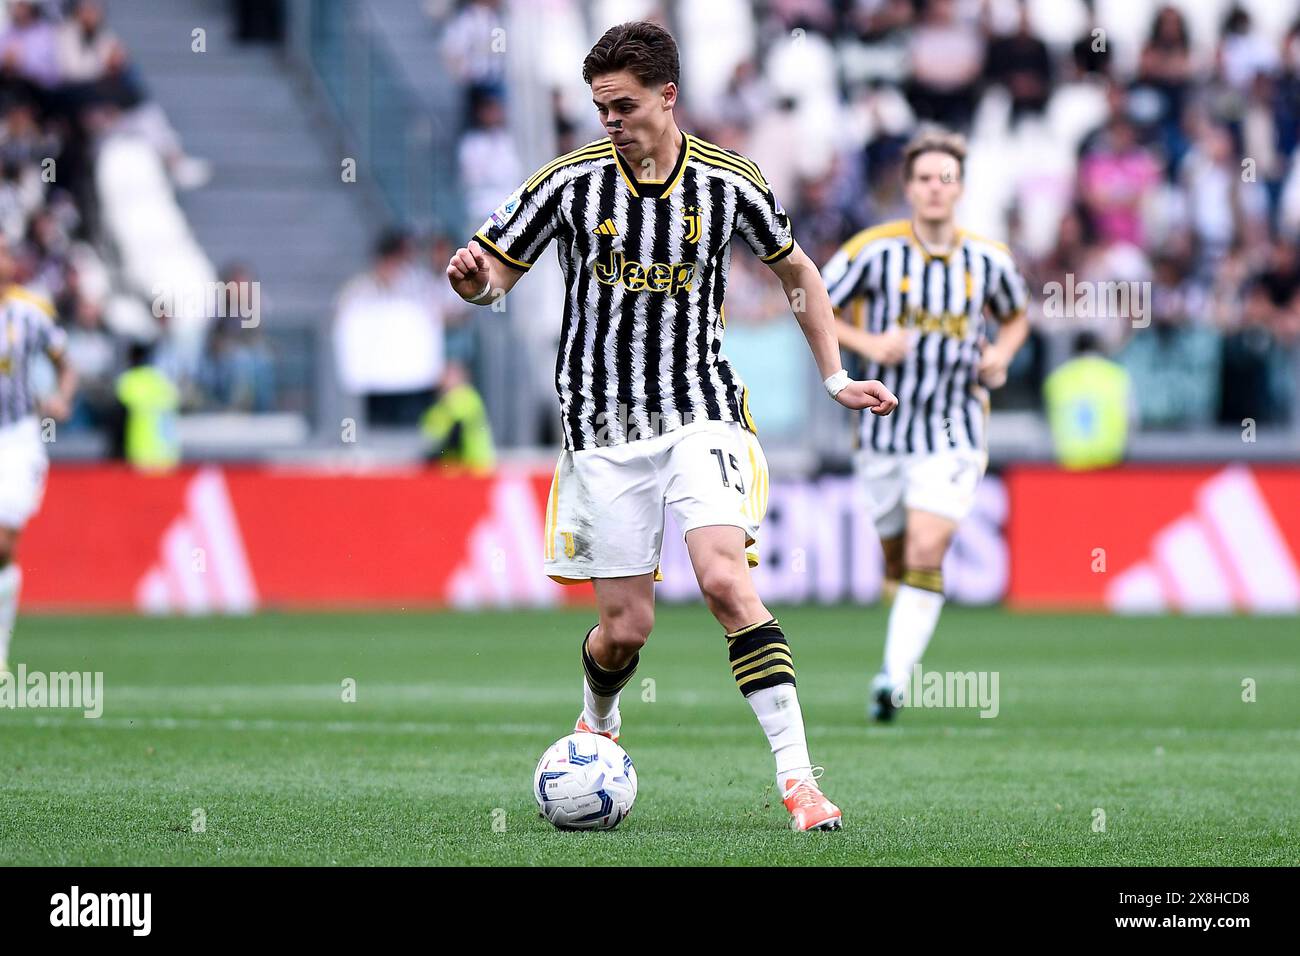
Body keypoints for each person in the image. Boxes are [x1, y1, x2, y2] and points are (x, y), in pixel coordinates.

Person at [445, 21, 897, 831]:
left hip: (701, 409)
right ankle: (600, 722)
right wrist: (472, 281)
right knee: (625, 630)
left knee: (726, 581)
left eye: (621, 105)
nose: (609, 120)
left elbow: (796, 269)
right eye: (598, 108)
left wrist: (833, 375)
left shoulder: (729, 181)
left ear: (667, 94)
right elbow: (493, 277)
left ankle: (800, 783)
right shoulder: (566, 183)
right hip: (602, 425)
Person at [824, 127, 1029, 722]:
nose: (935, 189)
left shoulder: (988, 259)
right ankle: (897, 659)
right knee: (897, 558)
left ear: (960, 188)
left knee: (927, 547)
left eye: (946, 178)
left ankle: (893, 680)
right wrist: (868, 342)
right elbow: (812, 304)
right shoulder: (873, 250)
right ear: (907, 188)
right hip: (883, 430)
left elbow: (1016, 318)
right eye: (923, 179)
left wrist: (1001, 356)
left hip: (954, 427)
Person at [0, 238, 76, 675]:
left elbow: (66, 362)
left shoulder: (29, 313)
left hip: (16, 436)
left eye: (8, 253)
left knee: (6, 537)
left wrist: (62, 398)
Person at [1042, 331, 1131, 470]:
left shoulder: (1057, 379)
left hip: (1069, 463)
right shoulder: (1116, 376)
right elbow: (1131, 418)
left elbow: (1048, 422)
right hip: (1110, 460)